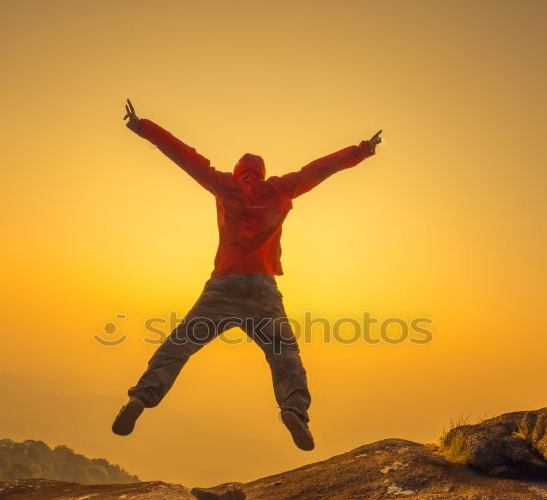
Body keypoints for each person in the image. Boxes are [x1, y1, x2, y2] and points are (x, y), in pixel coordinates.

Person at [112, 98, 381, 451]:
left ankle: (141, 398)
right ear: (263, 172)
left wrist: (142, 126)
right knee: (284, 353)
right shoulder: (280, 189)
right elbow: (320, 168)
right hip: (263, 291)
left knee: (178, 346)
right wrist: (361, 151)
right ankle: (294, 411)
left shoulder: (225, 185)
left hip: (223, 287)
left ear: (239, 172)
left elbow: (185, 155)